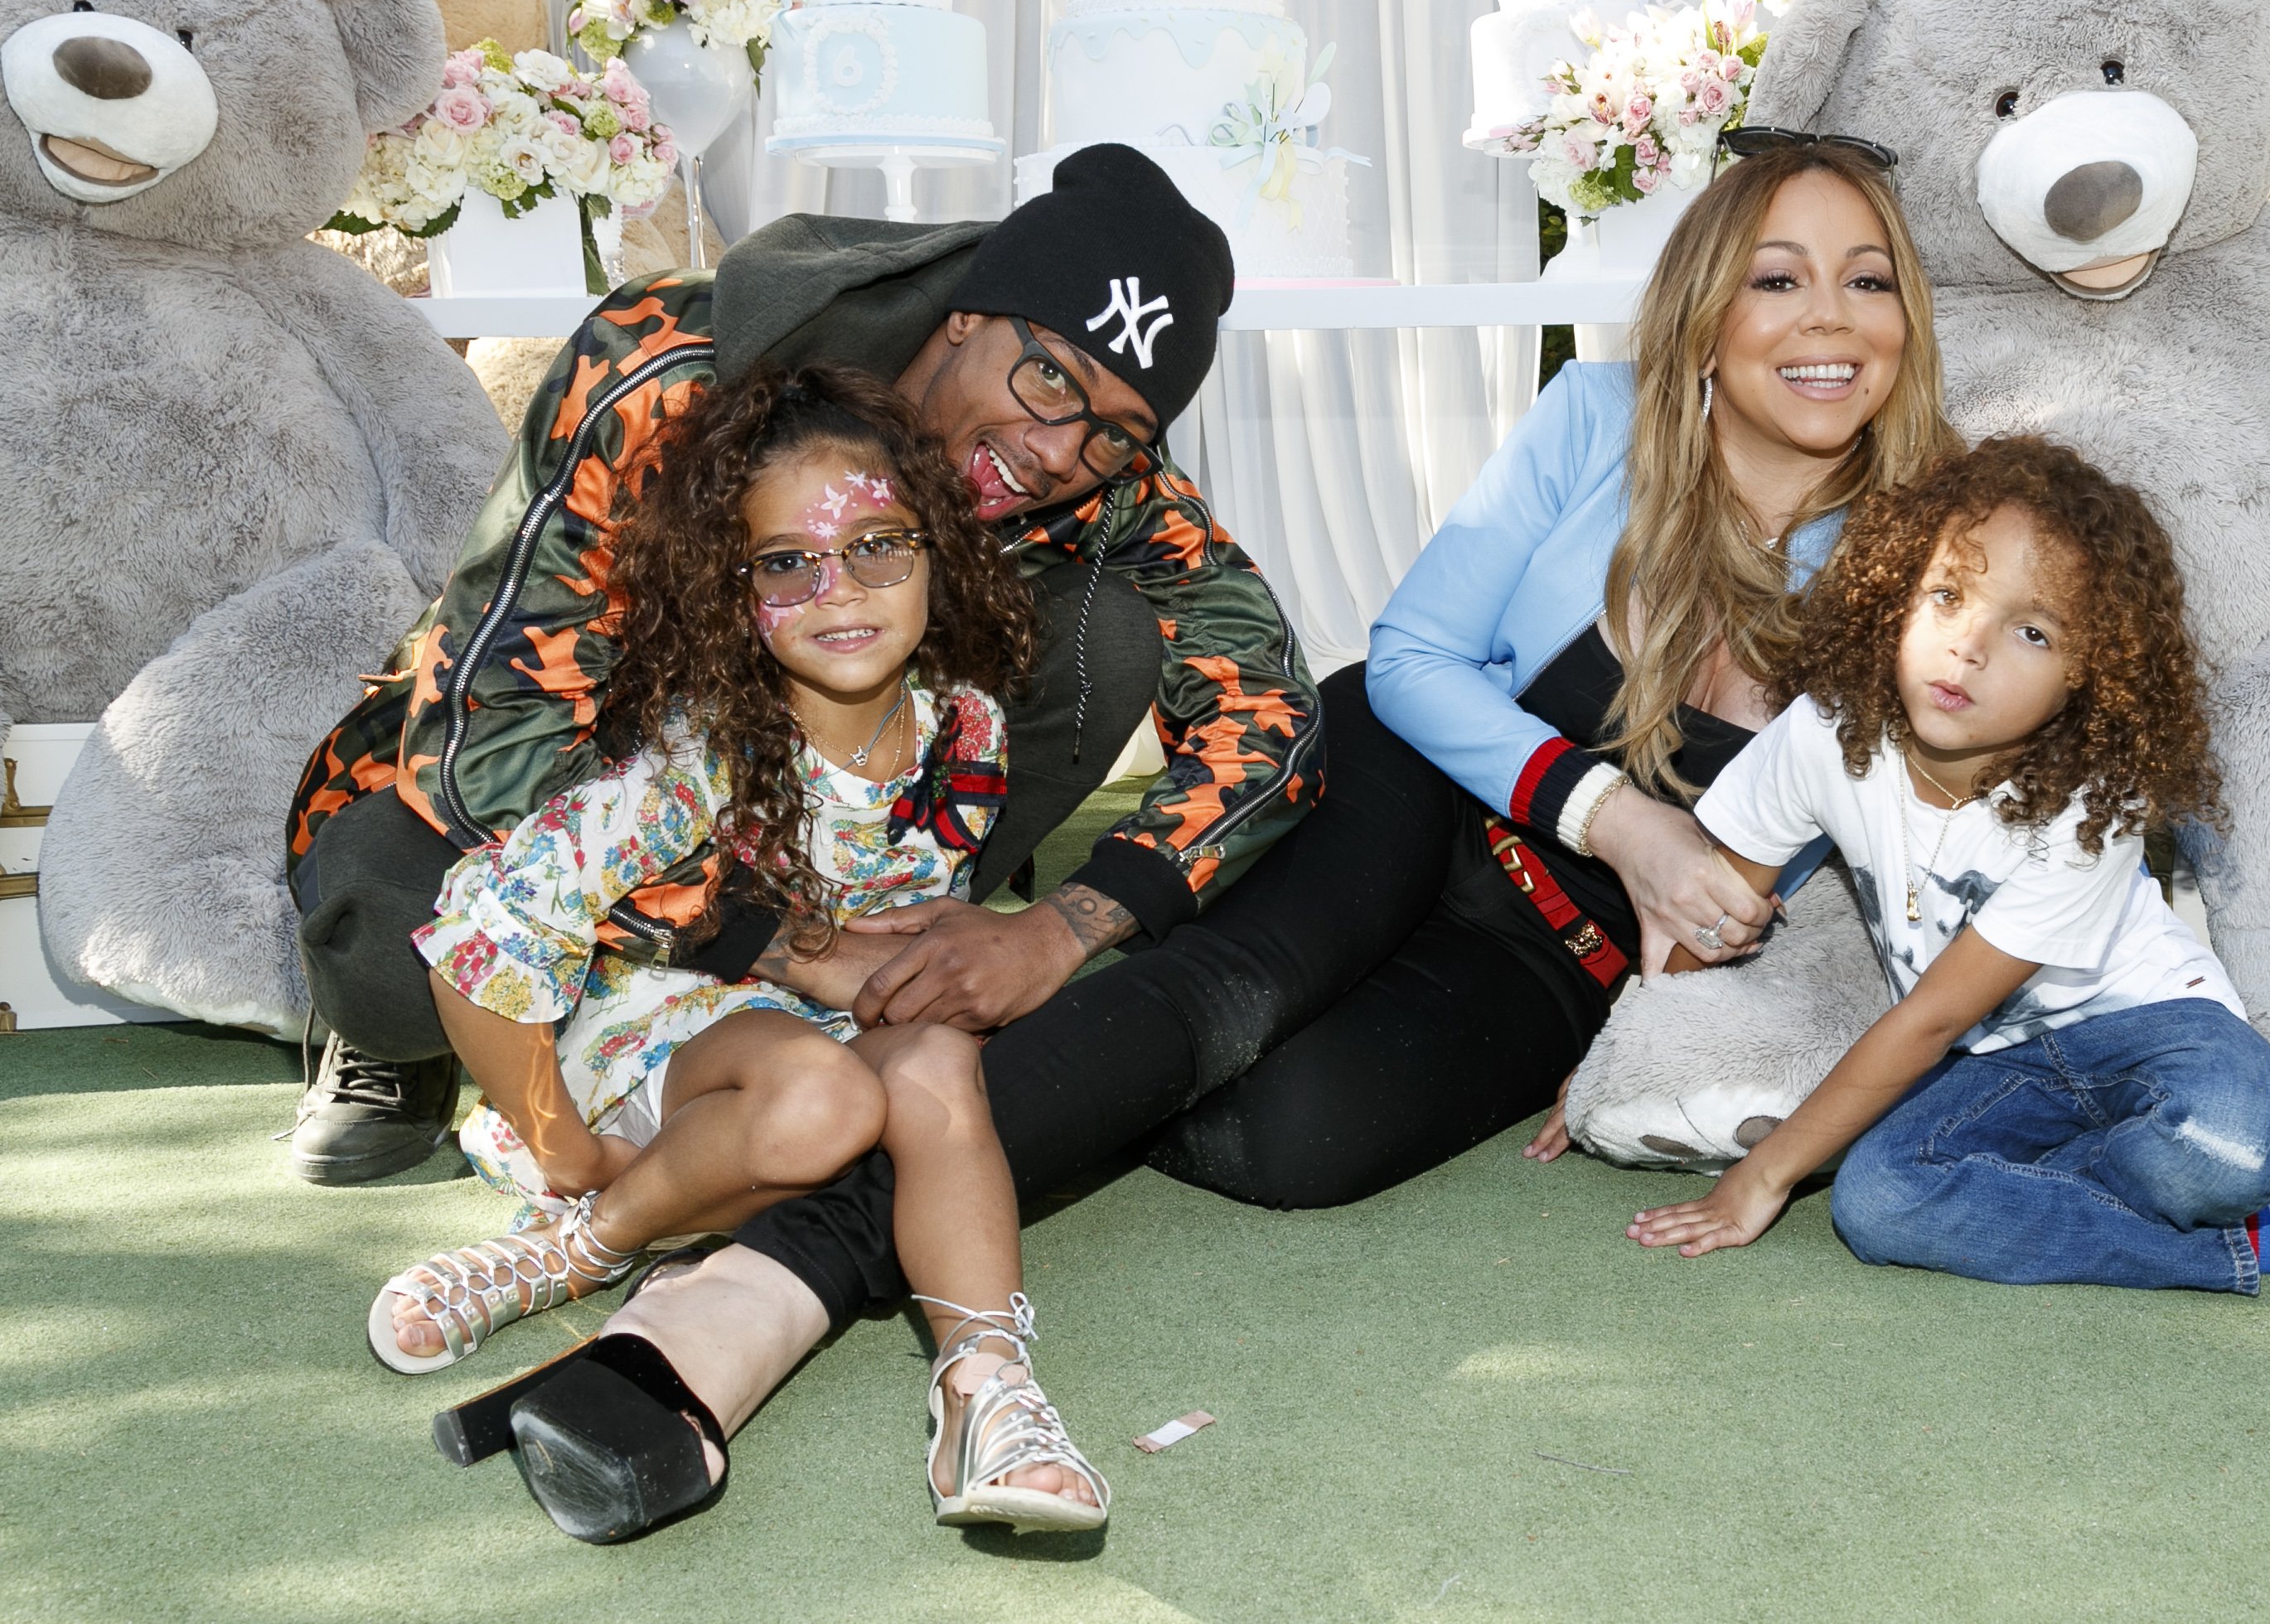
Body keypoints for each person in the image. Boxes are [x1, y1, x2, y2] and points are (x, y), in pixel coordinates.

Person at [480, 139, 1970, 1543]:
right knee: (1210, 1004)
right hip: (1416, 786)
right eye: (1778, 276)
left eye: (1867, 279)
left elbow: (1933, 871)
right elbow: (1414, 661)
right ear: (1709, 306)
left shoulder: (1940, 552)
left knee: (1280, 1140)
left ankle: (937, 1083)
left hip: (1554, 955)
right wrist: (1615, 817)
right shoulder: (1597, 420)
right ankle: (719, 1320)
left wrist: (1674, 1048)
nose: (1823, 319)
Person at [284, 143, 1314, 1187]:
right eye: (1048, 373)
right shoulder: (666, 369)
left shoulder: (1099, 470)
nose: (1057, 450)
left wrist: (1060, 930)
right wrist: (775, 942)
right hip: (600, 793)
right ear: (967, 312)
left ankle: (911, 947)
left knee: (1105, 635)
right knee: (391, 948)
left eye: (1114, 431)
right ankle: (481, 1037)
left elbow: (1274, 714)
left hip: (820, 815)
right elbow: (495, 726)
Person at [367, 368, 1106, 1536]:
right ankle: (581, 1242)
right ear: (730, 584)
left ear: (939, 552)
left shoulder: (968, 725)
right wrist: (562, 1144)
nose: (840, 589)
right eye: (786, 563)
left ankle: (988, 1389)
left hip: (813, 1072)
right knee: (822, 1098)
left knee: (940, 1056)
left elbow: (899, 933)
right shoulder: (699, 751)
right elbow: (482, 934)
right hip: (657, 1061)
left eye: (876, 545)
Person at [1622, 436, 2270, 1301]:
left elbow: (1923, 1022)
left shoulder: (2087, 805)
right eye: (1946, 596)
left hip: (2155, 1035)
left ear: (2085, 675)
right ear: (1892, 598)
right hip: (1994, 1069)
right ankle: (2257, 1240)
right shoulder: (1822, 732)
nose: (1968, 647)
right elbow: (1713, 903)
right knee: (1876, 1201)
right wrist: (1631, 1043)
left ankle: (2225, 1185)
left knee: (2230, 1144)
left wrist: (1763, 1174)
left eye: (2030, 630)